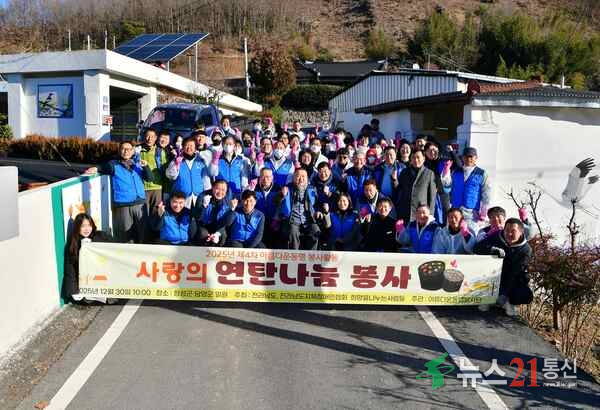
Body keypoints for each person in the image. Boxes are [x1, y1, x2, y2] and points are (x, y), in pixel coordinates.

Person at [85, 141, 153, 243]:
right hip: (123, 205)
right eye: (123, 149)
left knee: (143, 234)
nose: (126, 151)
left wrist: (146, 167)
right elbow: (103, 167)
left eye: (129, 149)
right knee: (125, 236)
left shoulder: (138, 163)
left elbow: (150, 178)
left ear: (133, 151)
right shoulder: (114, 164)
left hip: (140, 203)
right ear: (119, 150)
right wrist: (96, 168)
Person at [474, 218, 533, 316]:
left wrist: (503, 293)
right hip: (490, 276)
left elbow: (515, 273)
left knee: (524, 294)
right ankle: (488, 298)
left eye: (513, 231)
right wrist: (492, 250)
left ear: (521, 232)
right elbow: (477, 248)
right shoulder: (497, 236)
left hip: (510, 278)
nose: (509, 234)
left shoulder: (526, 250)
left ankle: (507, 302)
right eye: (507, 230)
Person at [63, 213, 115, 304]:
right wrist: (73, 291)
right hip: (86, 281)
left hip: (103, 276)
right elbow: (70, 269)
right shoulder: (73, 244)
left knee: (111, 297)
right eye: (83, 226)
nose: (87, 229)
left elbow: (116, 251)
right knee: (87, 299)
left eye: (89, 225)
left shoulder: (102, 236)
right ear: (77, 227)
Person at [444, 147, 491, 229]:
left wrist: (483, 214)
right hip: (455, 210)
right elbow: (447, 187)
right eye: (466, 156)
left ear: (476, 158)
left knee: (470, 234)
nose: (468, 159)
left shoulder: (482, 173)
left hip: (472, 213)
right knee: (454, 233)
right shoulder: (456, 171)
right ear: (462, 158)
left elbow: (486, 194)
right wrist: (446, 172)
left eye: (471, 157)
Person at [166, 137, 216, 208]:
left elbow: (205, 179)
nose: (189, 148)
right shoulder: (176, 160)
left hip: (198, 197)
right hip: (181, 198)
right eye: (186, 145)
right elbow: (170, 176)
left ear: (195, 148)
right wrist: (176, 164)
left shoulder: (200, 160)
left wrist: (207, 194)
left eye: (191, 146)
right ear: (183, 147)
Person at [279, 168, 320, 250]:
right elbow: (277, 202)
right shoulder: (287, 189)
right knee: (292, 232)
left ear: (307, 179)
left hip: (308, 220)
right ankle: (295, 254)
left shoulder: (312, 189)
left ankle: (311, 254)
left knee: (315, 230)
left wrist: (318, 212)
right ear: (293, 178)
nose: (301, 179)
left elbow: (317, 204)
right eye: (298, 176)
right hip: (293, 220)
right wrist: (282, 195)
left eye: (303, 176)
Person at [396, 149, 437, 225]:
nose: (416, 160)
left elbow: (432, 196)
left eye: (418, 157)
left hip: (421, 213)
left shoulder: (429, 173)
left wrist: (430, 214)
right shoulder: (404, 172)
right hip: (405, 211)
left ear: (423, 158)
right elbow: (399, 189)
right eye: (413, 157)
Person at [193, 179, 232, 246]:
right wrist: (204, 206)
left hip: (219, 226)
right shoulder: (203, 196)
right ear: (212, 187)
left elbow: (226, 222)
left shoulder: (227, 200)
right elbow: (197, 217)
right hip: (204, 225)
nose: (220, 192)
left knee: (223, 236)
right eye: (217, 189)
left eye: (223, 190)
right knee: (203, 234)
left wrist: (217, 233)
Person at [139, 128, 168, 213]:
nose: (149, 139)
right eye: (147, 136)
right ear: (144, 137)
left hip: (157, 187)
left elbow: (164, 170)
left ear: (156, 138)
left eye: (152, 137)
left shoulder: (160, 152)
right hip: (142, 187)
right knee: (143, 214)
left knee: (156, 213)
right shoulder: (138, 151)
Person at [254, 167, 280, 248]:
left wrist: (276, 218)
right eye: (263, 177)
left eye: (268, 177)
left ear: (272, 178)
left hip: (273, 220)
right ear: (259, 177)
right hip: (258, 220)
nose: (265, 180)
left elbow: (280, 206)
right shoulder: (254, 188)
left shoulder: (278, 189)